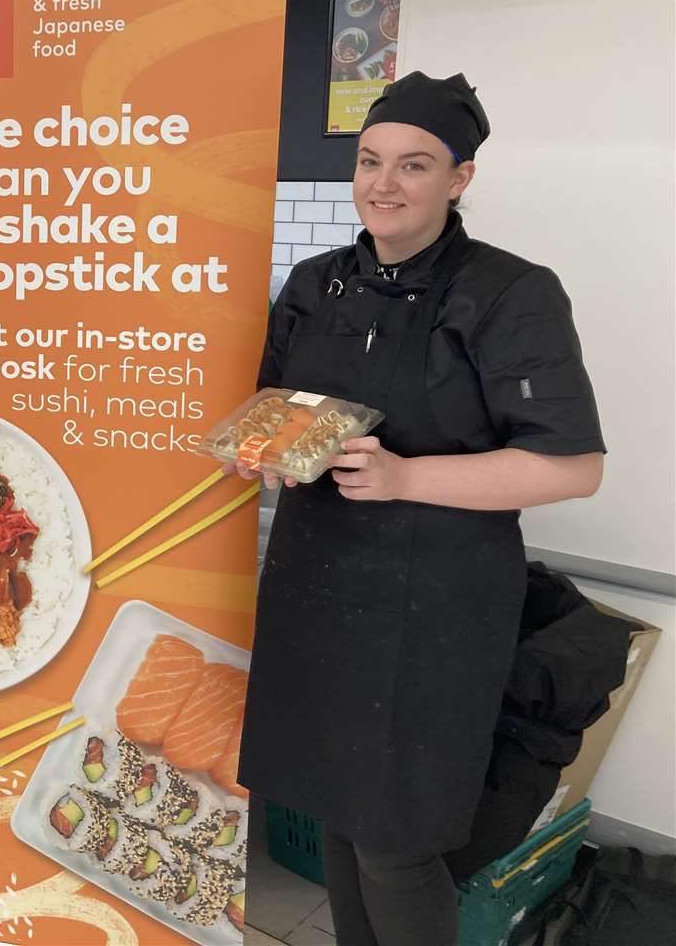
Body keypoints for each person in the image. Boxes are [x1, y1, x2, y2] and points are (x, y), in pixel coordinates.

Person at [234, 72, 605, 946]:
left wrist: (407, 478)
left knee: (397, 842)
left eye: (414, 164)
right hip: (316, 583)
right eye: (369, 161)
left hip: (433, 610)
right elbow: (279, 404)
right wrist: (269, 451)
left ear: (460, 178)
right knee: (332, 808)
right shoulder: (316, 282)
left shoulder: (511, 293)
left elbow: (573, 467)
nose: (383, 184)